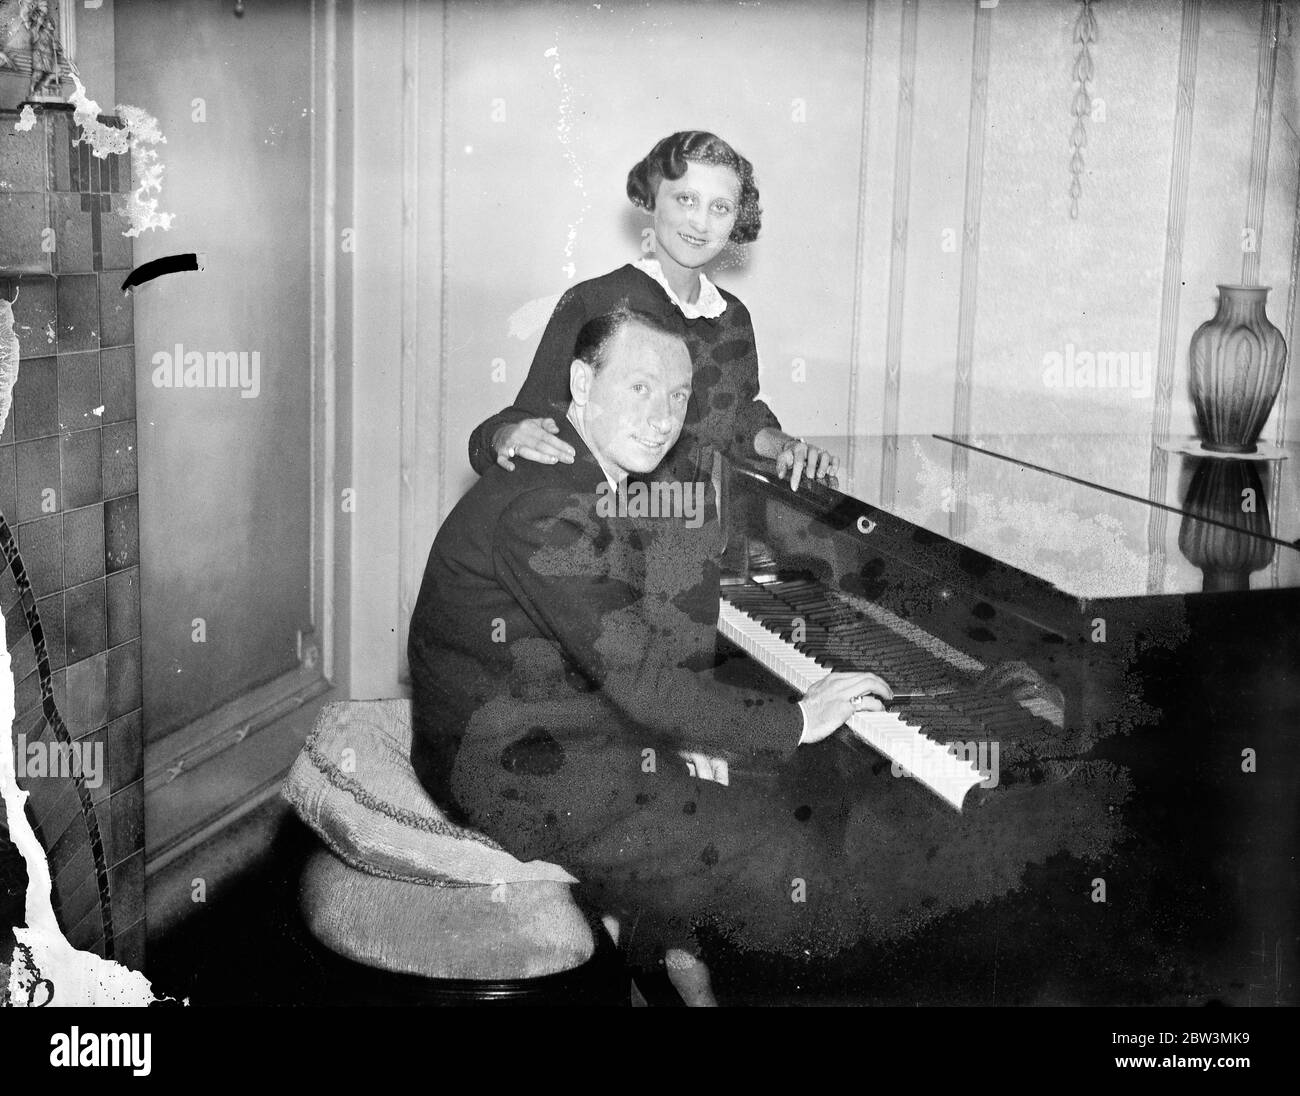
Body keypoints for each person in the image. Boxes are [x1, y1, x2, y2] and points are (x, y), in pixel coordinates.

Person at [410, 304, 892, 1005]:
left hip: (528, 730)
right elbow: (636, 676)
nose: (663, 416)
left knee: (728, 784)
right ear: (581, 383)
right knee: (782, 843)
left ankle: (668, 964)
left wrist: (671, 734)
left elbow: (609, 654)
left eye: (676, 396)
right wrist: (795, 720)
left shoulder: (581, 477)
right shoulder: (549, 505)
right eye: (639, 388)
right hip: (506, 772)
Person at [467, 130, 836, 492]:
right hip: (597, 531)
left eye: (719, 207)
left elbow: (740, 422)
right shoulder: (593, 301)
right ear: (652, 201)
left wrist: (788, 447)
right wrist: (505, 435)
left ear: (736, 218)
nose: (701, 223)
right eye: (686, 200)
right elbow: (520, 422)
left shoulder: (731, 317)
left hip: (691, 533)